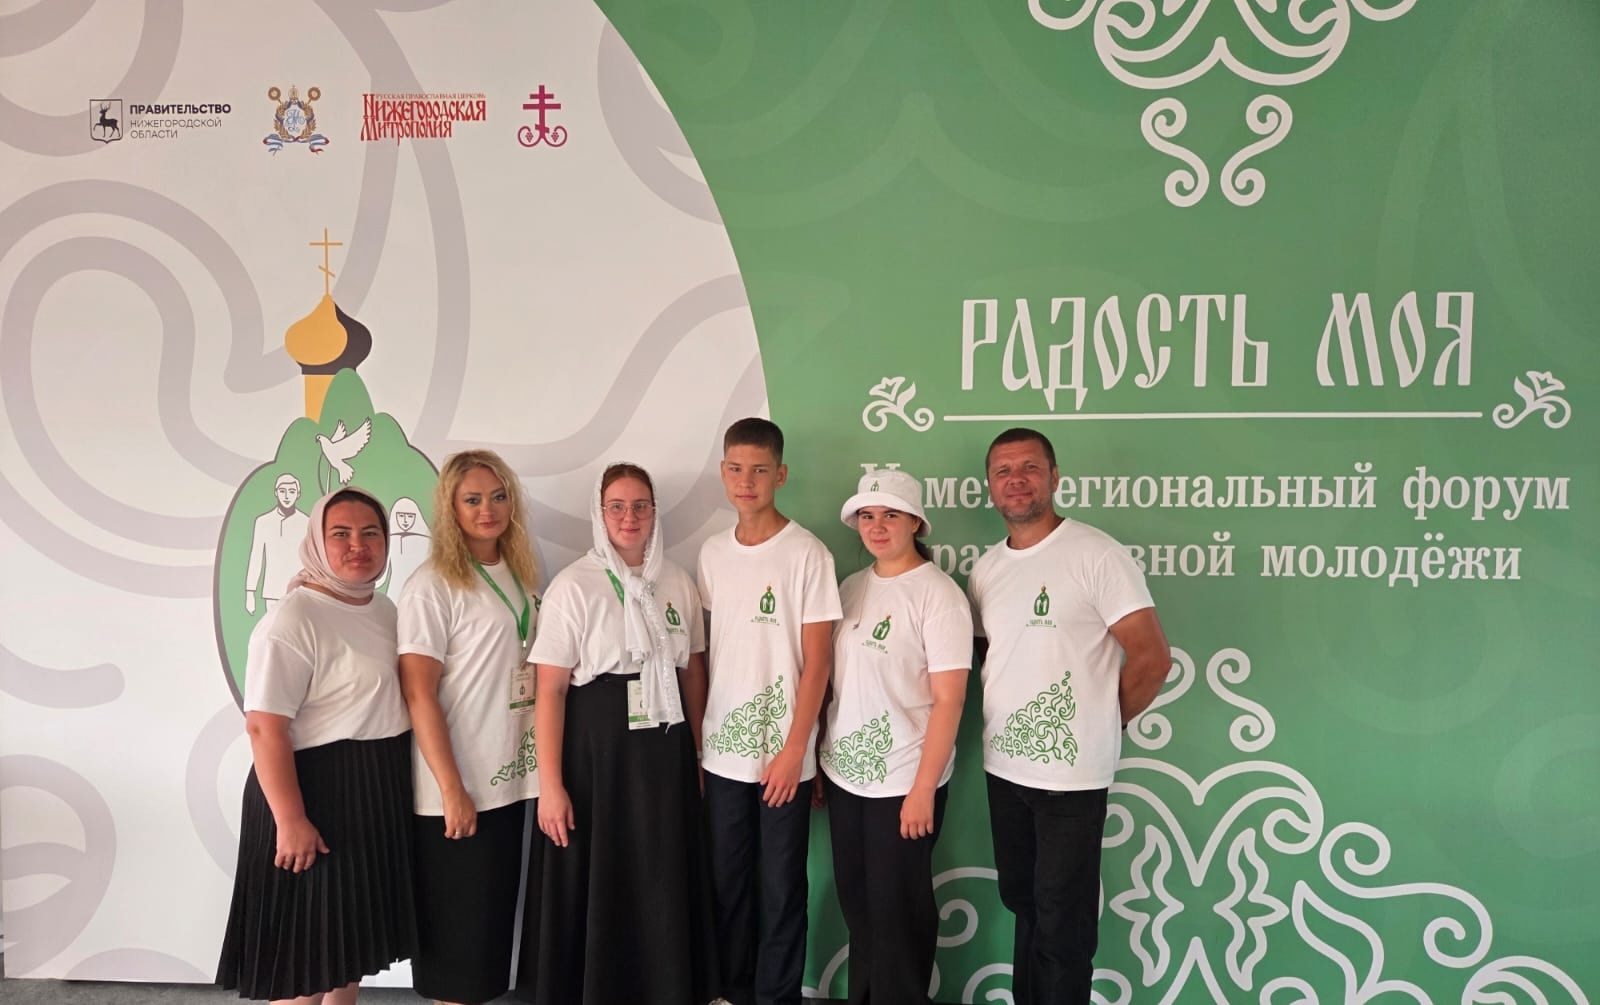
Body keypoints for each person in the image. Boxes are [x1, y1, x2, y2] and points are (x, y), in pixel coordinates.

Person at [966, 428, 1171, 1004]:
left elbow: (1152, 658)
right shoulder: (986, 570)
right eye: (1003, 471)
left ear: (1055, 477)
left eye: (1030, 468)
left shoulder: (1096, 555)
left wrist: (1102, 722)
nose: (1016, 480)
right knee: (1024, 905)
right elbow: (990, 656)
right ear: (990, 486)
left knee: (1063, 923)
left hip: (1071, 780)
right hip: (1004, 770)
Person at [522, 462, 717, 1004]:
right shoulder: (574, 586)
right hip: (595, 756)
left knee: (661, 867)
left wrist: (698, 754)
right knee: (599, 869)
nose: (629, 518)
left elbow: (692, 672)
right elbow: (550, 690)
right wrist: (551, 786)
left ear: (654, 513)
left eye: (640, 506)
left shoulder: (675, 581)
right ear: (600, 513)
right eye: (617, 507)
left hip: (664, 748)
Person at [217, 486, 415, 1004]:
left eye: (370, 533)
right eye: (341, 533)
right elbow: (264, 728)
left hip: (373, 790)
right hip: (310, 793)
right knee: (302, 964)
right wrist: (290, 820)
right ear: (316, 542)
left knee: (347, 952)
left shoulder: (384, 608)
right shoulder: (293, 619)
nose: (358, 545)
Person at [697, 418, 841, 1005]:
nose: (746, 481)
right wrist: (701, 748)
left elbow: (819, 661)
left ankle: (777, 996)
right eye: (736, 469)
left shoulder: (808, 554)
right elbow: (710, 652)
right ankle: (732, 991)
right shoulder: (712, 554)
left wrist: (795, 751)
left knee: (781, 888)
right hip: (722, 753)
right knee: (727, 881)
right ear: (723, 473)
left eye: (759, 470)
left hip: (785, 756)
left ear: (780, 475)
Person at [821, 469, 970, 1005]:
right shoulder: (850, 587)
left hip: (905, 781)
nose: (877, 526)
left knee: (898, 915)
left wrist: (923, 789)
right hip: (845, 778)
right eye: (867, 515)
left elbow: (949, 700)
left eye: (890, 515)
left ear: (915, 523)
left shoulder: (938, 595)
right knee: (860, 909)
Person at [397, 451, 541, 1005]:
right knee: (457, 942)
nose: (488, 510)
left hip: (509, 780)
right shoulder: (432, 584)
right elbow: (418, 692)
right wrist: (452, 789)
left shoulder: (522, 573)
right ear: (450, 508)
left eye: (498, 497)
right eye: (473, 499)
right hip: (457, 788)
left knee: (486, 937)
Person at [245, 473, 309, 614]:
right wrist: (250, 592)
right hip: (272, 591)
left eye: (291, 491)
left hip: (300, 590)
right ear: (276, 492)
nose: (286, 496)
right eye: (282, 491)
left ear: (298, 494)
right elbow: (256, 557)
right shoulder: (263, 522)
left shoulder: (307, 522)